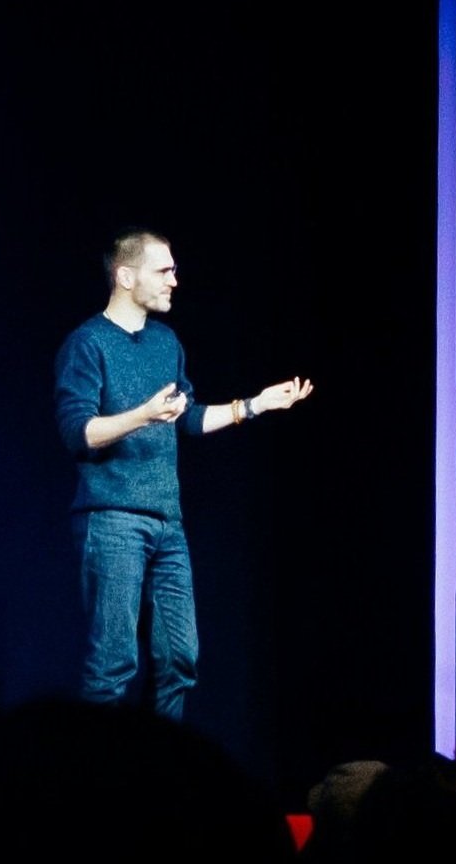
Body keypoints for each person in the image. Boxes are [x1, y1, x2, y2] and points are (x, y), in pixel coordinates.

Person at [55, 228, 312, 720]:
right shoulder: (87, 344)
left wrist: (255, 405)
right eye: (164, 270)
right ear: (126, 276)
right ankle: (90, 783)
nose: (175, 279)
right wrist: (141, 415)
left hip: (167, 523)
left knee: (178, 657)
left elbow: (187, 417)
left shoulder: (166, 342)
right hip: (112, 519)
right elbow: (78, 432)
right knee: (112, 663)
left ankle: (157, 773)